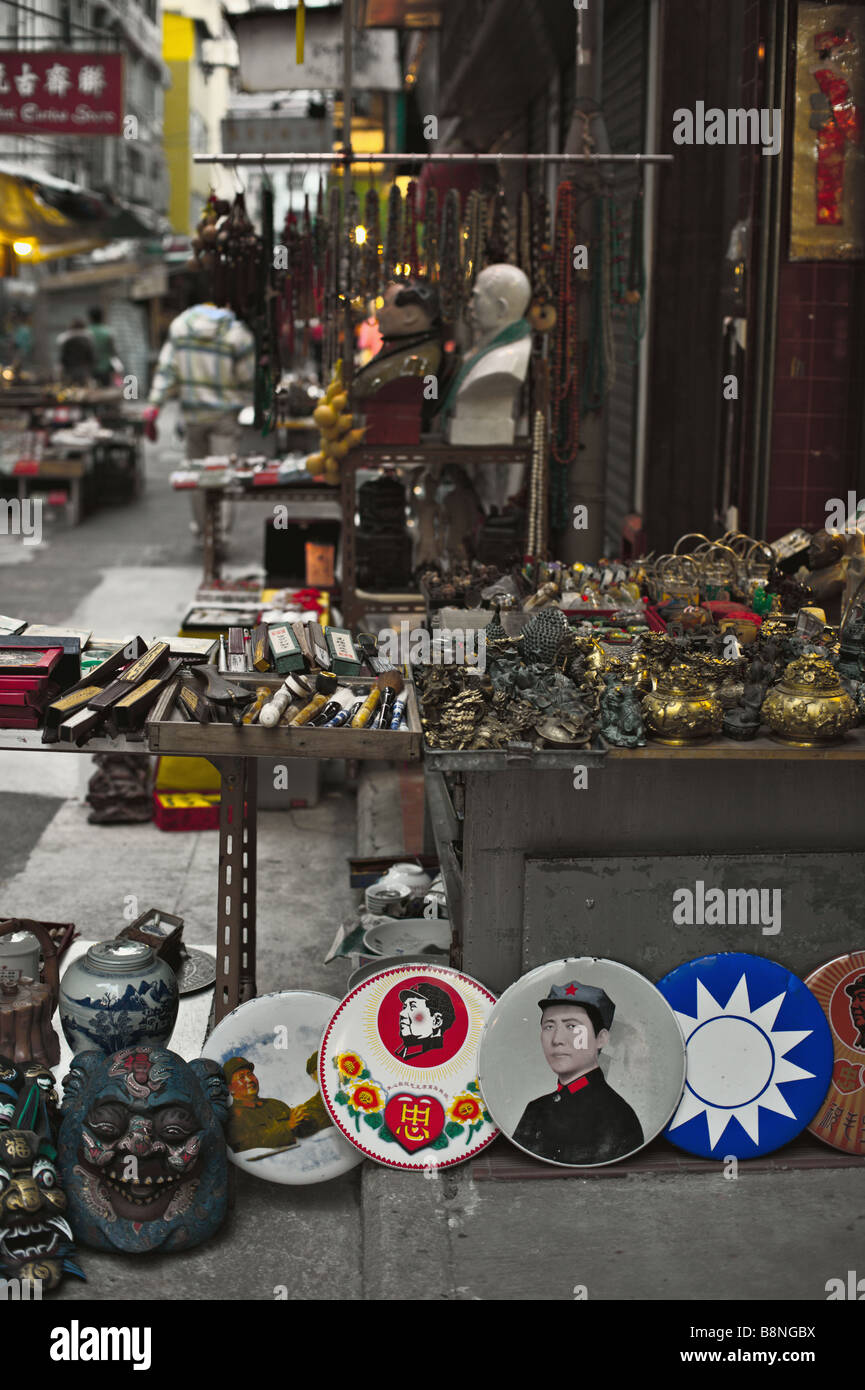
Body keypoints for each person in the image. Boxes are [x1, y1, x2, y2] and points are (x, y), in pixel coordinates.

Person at [145, 279, 255, 534]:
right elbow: (247, 378)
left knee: (196, 476)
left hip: (193, 417)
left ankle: (202, 527)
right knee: (223, 474)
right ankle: (221, 531)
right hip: (225, 417)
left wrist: (154, 406)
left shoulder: (180, 327)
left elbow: (166, 371)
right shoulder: (237, 332)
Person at [512, 980, 644, 1165]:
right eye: (549, 1026)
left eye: (572, 1026)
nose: (557, 1039)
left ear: (601, 1038)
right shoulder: (536, 1109)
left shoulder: (617, 1117)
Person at [222, 1055, 330, 1154]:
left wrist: (304, 1120)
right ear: (230, 1088)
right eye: (241, 1077)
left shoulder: (275, 1104)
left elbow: (300, 1132)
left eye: (250, 1074)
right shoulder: (231, 1117)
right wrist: (288, 1126)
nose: (249, 1080)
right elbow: (247, 1144)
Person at [395, 981, 456, 1060]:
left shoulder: (436, 1058)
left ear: (436, 1021)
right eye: (404, 1007)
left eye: (413, 1007)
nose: (402, 1013)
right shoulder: (402, 1053)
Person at [57, 318, 95, 386]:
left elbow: (63, 358)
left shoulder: (66, 339)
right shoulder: (87, 340)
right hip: (84, 371)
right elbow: (91, 357)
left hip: (69, 370)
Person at [86, 307, 118, 386]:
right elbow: (113, 351)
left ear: (90, 317)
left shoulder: (86, 332)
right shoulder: (108, 332)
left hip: (90, 367)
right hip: (105, 367)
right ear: (102, 317)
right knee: (106, 389)